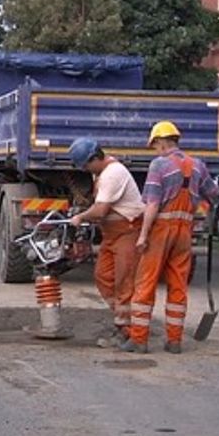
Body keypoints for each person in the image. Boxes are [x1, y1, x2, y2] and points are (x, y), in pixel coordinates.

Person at [124, 120, 219, 354]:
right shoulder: (198, 165)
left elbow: (153, 204)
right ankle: (174, 340)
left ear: (161, 142)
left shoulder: (159, 165)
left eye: (155, 145)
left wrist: (143, 235)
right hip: (184, 230)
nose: (155, 150)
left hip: (162, 228)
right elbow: (214, 194)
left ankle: (138, 340)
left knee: (146, 282)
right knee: (178, 283)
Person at [66, 137, 145, 347]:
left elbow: (101, 210)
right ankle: (123, 322)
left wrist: (81, 217)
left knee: (124, 281)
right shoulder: (100, 174)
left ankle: (132, 332)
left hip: (127, 232)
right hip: (112, 235)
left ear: (95, 158)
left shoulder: (113, 173)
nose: (85, 170)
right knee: (103, 276)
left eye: (86, 165)